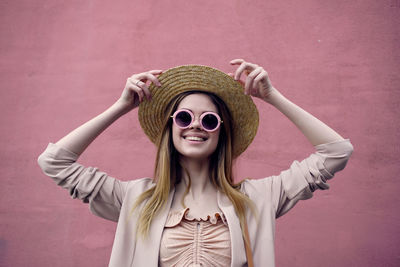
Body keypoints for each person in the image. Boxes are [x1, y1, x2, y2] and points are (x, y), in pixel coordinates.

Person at [37, 59, 354, 267]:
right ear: (170, 128)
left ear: (222, 132)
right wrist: (121, 107)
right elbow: (55, 162)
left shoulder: (260, 198)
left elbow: (336, 151)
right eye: (184, 117)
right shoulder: (135, 199)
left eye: (210, 120)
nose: (196, 126)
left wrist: (272, 97)